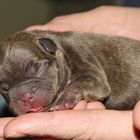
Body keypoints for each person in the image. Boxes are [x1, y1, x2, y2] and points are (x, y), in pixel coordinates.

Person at [1, 6, 140, 140]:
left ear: (50, 49)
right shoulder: (46, 52)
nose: (26, 96)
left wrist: (71, 93)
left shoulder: (75, 48)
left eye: (38, 69)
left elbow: (99, 86)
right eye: (5, 88)